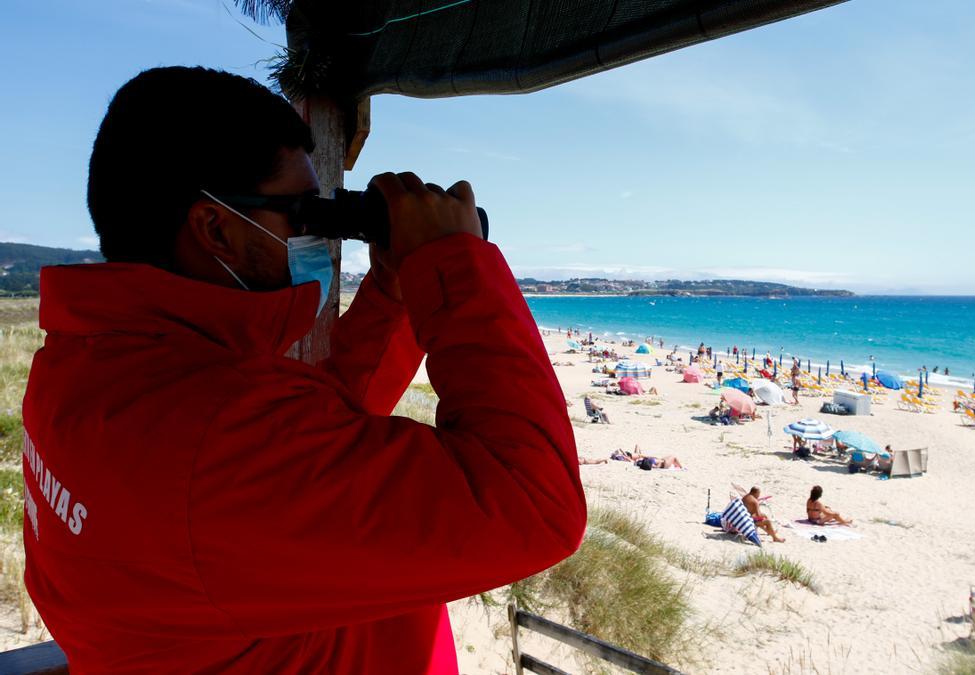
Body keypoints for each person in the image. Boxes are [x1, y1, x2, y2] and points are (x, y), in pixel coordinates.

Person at [21, 67, 587, 674]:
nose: (316, 238)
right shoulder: (211, 437)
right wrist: (452, 263)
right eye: (301, 214)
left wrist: (396, 288)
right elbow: (531, 504)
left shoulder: (95, 370)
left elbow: (314, 445)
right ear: (215, 227)